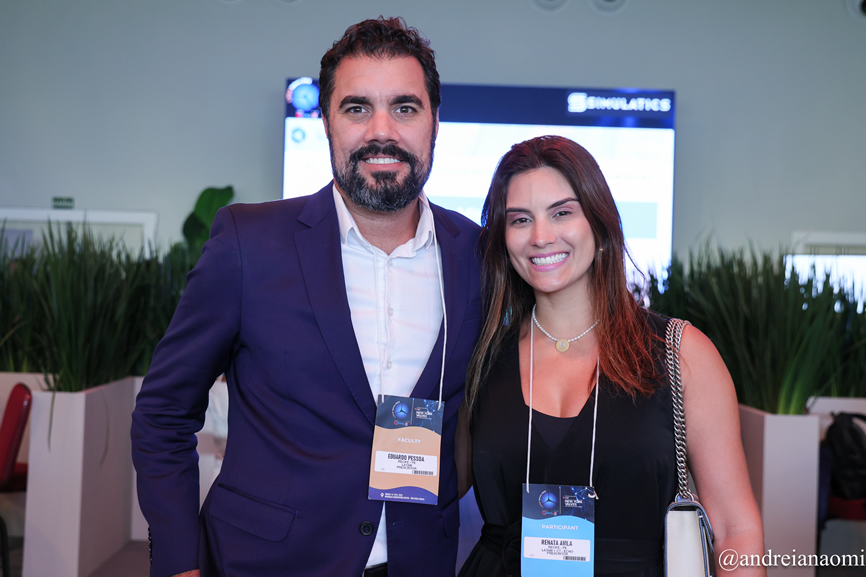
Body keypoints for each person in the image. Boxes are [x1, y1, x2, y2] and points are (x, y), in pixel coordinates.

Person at [131, 17, 482, 577]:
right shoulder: (249, 243)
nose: (382, 132)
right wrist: (177, 561)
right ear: (326, 122)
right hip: (264, 562)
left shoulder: (477, 255)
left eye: (405, 107)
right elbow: (163, 413)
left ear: (435, 122)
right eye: (357, 108)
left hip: (419, 562)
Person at [458, 135, 764, 576]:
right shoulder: (483, 356)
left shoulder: (679, 352)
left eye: (562, 213)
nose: (541, 237)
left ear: (599, 224)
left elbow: (736, 529)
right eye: (521, 219)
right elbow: (439, 484)